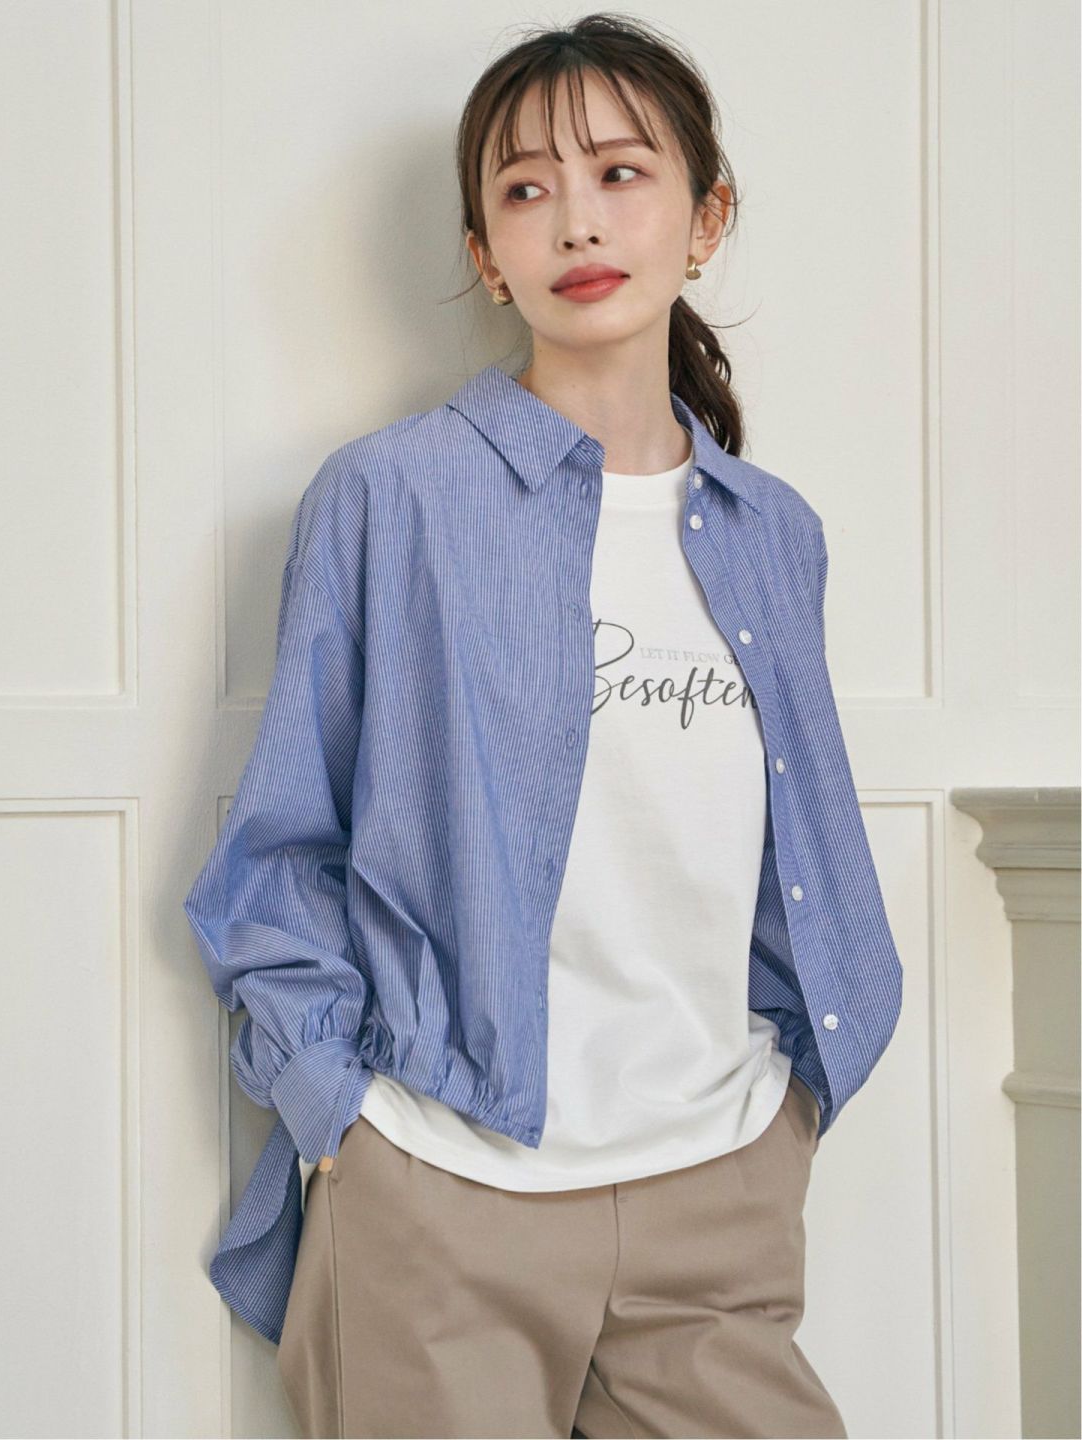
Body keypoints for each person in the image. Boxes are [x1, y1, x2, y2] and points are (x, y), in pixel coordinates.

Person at [183, 12, 902, 1438]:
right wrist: (342, 1126)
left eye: (622, 173)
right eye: (526, 189)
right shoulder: (394, 498)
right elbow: (280, 847)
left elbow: (787, 850)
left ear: (707, 218)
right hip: (443, 1196)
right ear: (485, 251)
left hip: (717, 1190)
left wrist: (788, 1102)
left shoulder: (775, 535)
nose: (577, 219)